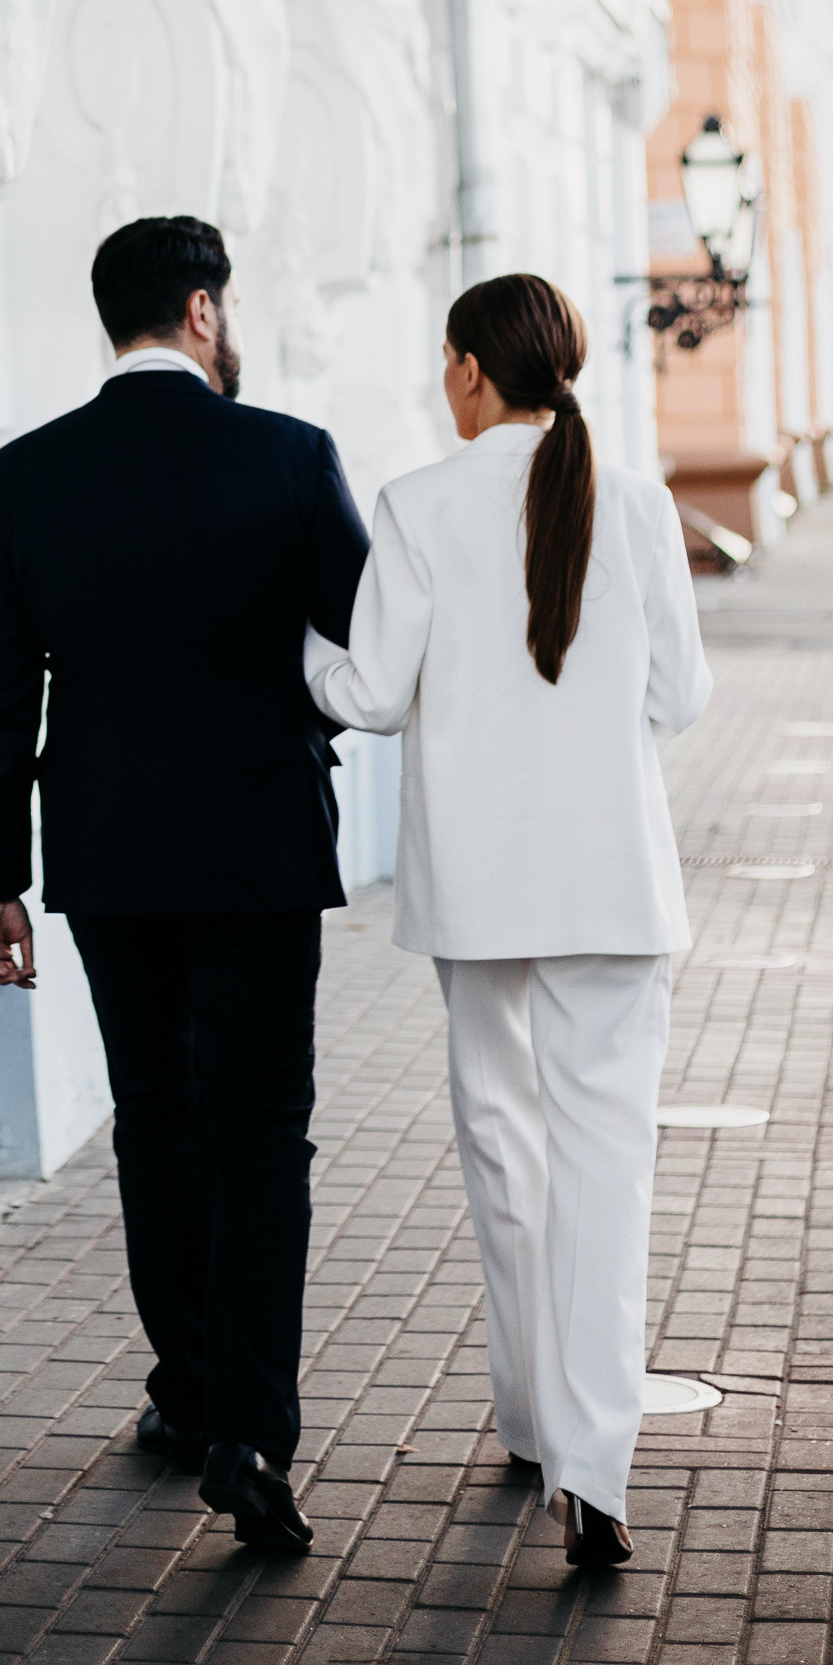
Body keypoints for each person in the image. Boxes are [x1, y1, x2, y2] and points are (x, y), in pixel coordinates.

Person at [0, 216, 369, 1553]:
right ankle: (254, 1429)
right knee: (265, 1131)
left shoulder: (27, 476)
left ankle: (187, 1395)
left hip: (107, 854)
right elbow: (369, 640)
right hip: (258, 846)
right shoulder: (290, 456)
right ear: (203, 311)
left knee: (155, 1117)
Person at [304, 274, 710, 1568]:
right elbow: (681, 695)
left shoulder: (419, 505)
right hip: (613, 881)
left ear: (475, 370)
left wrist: (291, 650)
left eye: (445, 359)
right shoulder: (637, 502)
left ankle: (534, 1420)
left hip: (480, 888)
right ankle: (594, 1462)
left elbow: (367, 695)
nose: (441, 379)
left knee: (505, 1151)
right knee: (609, 1166)